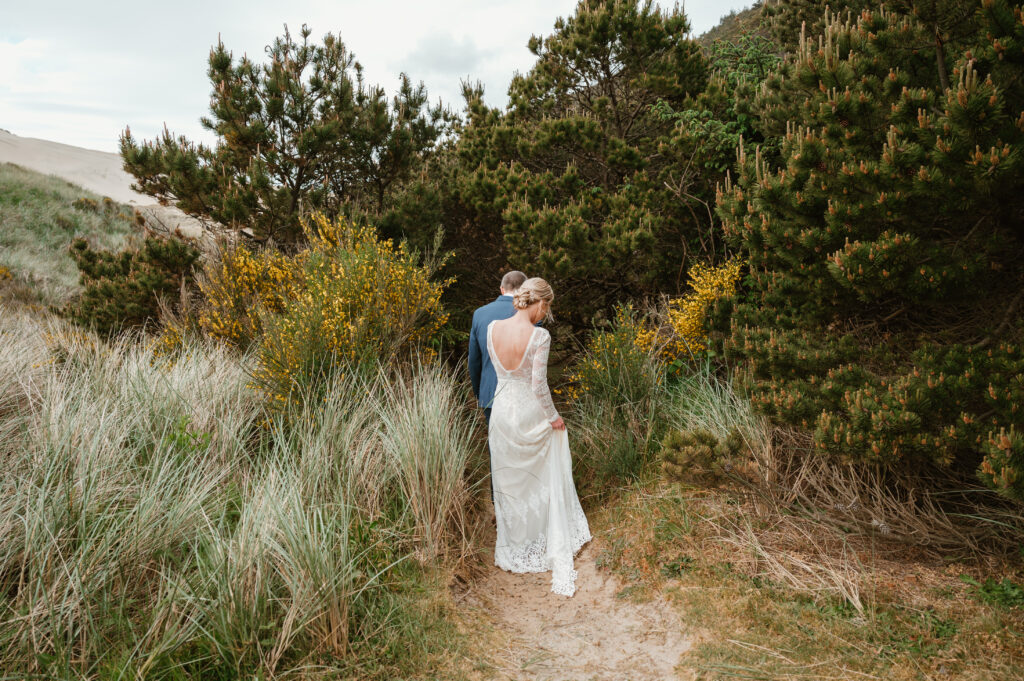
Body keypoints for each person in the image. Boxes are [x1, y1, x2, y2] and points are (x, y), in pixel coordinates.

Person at [486, 277, 591, 596]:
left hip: (502, 413)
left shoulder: (492, 329)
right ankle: (544, 538)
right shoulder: (539, 336)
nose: (546, 314)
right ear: (539, 302)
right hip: (530, 413)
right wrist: (554, 418)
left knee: (511, 479)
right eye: (547, 307)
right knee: (541, 476)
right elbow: (538, 386)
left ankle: (515, 545)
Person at [468, 270, 527, 421]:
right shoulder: (530, 314)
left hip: (490, 393)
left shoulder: (480, 314)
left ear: (502, 289)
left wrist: (479, 392)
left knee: (496, 443)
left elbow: (474, 360)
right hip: (523, 397)